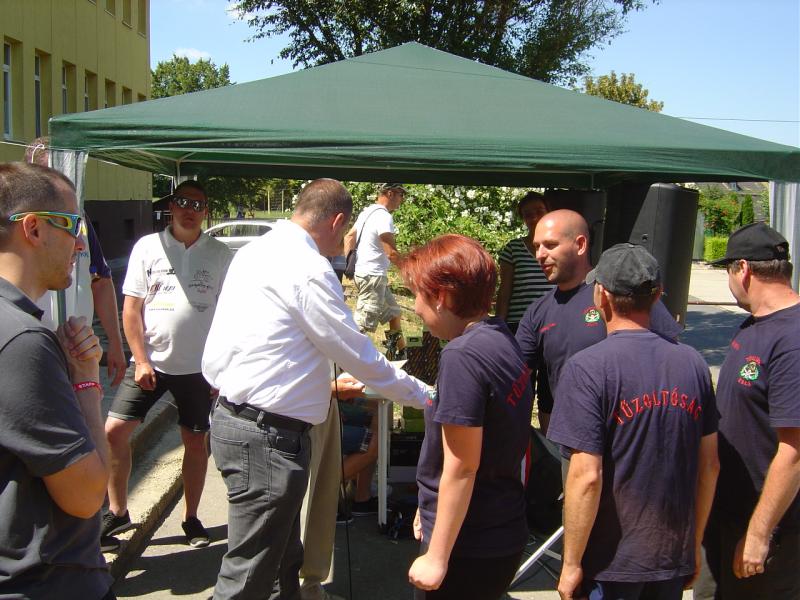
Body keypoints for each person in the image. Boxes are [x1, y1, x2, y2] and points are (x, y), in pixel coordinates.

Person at [202, 178, 431, 600]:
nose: (344, 243)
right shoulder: (306, 267)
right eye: (345, 233)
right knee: (248, 575)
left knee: (281, 560)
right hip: (266, 436)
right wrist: (425, 395)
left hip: (242, 420)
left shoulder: (255, 251)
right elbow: (355, 351)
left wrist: (320, 385)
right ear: (338, 220)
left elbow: (265, 342)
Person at [547, 243, 719, 600]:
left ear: (602, 295)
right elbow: (709, 466)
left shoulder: (587, 369)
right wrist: (694, 544)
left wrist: (571, 562)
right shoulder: (692, 363)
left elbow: (586, 476)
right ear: (657, 295)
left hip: (610, 564)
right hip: (670, 557)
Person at [0, 162, 114, 598]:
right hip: (49, 582)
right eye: (71, 225)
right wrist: (86, 382)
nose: (81, 243)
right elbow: (87, 496)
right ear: (32, 228)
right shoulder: (24, 340)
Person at [401, 234, 533, 600]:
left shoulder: (462, 356)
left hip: (470, 542)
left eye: (417, 295)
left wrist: (437, 556)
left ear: (442, 297)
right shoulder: (500, 335)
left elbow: (462, 467)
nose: (415, 307)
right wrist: (428, 503)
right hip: (499, 525)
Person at [102, 180, 232, 548]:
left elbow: (231, 314)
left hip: (199, 369)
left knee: (195, 441)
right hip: (150, 364)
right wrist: (141, 359)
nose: (190, 210)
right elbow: (131, 309)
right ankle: (117, 512)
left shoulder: (220, 254)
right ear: (171, 206)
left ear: (206, 212)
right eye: (183, 202)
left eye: (198, 204)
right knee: (114, 431)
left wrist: (222, 369)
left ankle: (191, 518)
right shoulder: (147, 247)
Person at [695, 222, 800, 600]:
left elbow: (795, 451)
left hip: (768, 531)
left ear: (742, 269)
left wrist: (759, 533)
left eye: (727, 269)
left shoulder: (792, 339)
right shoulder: (755, 323)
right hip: (726, 517)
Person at [516, 209, 682, 434]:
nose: (539, 255)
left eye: (550, 245)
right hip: (569, 441)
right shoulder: (538, 311)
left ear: (580, 245)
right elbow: (518, 378)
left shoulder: (619, 294)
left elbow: (669, 359)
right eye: (536, 246)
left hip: (628, 436)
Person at [25, 137, 127, 386]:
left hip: (79, 356)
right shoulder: (16, 226)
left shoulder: (78, 220)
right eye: (54, 176)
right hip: (35, 357)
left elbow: (100, 280)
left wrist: (114, 342)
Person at [344, 182, 407, 356]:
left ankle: (398, 354)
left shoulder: (367, 212)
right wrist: (410, 271)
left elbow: (349, 237)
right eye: (401, 194)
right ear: (390, 193)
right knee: (361, 324)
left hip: (365, 274)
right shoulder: (384, 217)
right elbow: (391, 253)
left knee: (394, 313)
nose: (402, 199)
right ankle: (343, 361)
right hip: (373, 276)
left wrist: (349, 265)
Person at [496, 191, 553, 333]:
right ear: (523, 219)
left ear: (549, 213)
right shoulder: (513, 248)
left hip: (552, 323)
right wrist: (499, 327)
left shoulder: (560, 247)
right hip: (519, 325)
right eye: (528, 215)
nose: (535, 218)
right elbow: (504, 291)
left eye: (539, 211)